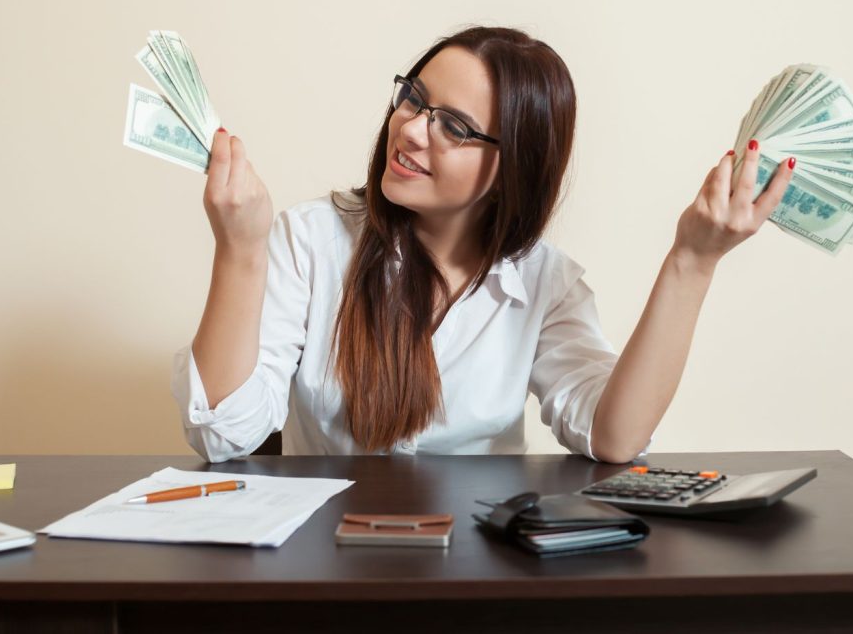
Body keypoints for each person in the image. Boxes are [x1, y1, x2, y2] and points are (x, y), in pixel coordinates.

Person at [171, 25, 796, 464]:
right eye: (413, 99)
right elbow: (223, 435)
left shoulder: (545, 284)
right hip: (327, 573)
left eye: (455, 127)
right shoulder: (310, 242)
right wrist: (241, 249)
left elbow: (614, 436)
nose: (411, 130)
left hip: (480, 580)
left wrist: (693, 260)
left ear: (514, 169)